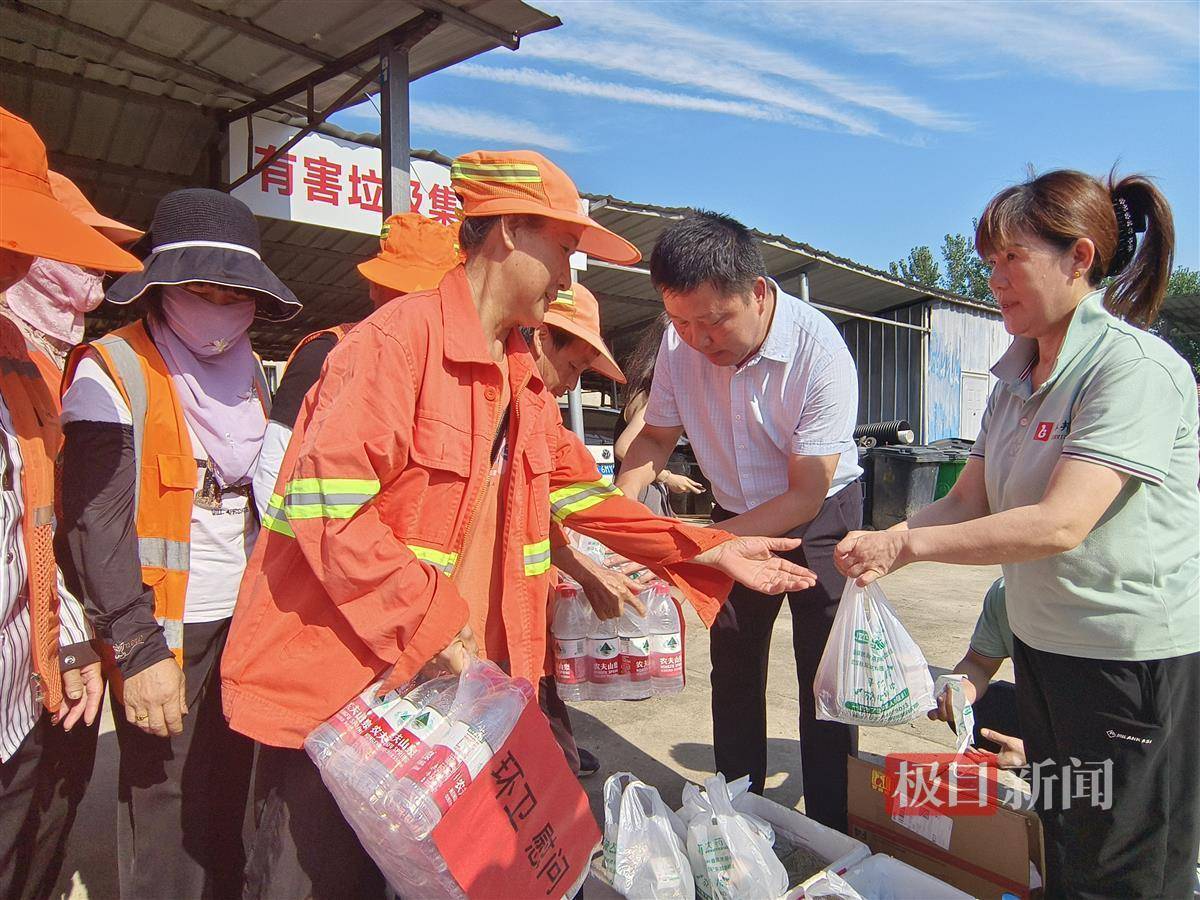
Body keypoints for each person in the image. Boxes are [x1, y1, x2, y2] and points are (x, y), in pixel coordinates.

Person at [222, 149, 817, 899]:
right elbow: (327, 511)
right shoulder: (391, 347)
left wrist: (711, 547)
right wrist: (432, 619)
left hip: (443, 696)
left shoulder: (522, 382)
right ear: (506, 233)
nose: (571, 276)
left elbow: (579, 499)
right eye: (565, 249)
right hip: (347, 691)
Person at [835, 169, 1199, 898]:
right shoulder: (1013, 380)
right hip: (1046, 648)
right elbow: (969, 498)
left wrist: (906, 545)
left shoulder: (1130, 368)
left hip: (1125, 660)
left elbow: (1062, 521)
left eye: (1013, 258)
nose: (996, 278)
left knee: (1123, 859)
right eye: (989, 262)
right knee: (1065, 828)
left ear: (1080, 257)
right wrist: (890, 538)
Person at [56, 188, 300, 898]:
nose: (219, 304)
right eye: (200, 288)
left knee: (229, 797)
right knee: (167, 806)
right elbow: (93, 522)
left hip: (243, 615)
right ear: (160, 287)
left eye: (234, 291)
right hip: (164, 628)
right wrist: (136, 649)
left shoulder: (252, 372)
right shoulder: (113, 369)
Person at [616, 210, 863, 832]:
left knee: (825, 673)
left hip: (822, 514)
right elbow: (655, 440)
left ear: (756, 293)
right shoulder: (679, 343)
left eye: (714, 320)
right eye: (681, 322)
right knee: (732, 660)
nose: (699, 340)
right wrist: (619, 516)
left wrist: (695, 545)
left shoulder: (817, 349)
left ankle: (833, 821)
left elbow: (806, 494)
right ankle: (736, 808)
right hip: (732, 506)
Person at [0, 108, 141, 900]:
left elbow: (37, 528)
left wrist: (73, 639)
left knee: (42, 837)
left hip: (40, 670)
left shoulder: (36, 368)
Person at [253, 211, 460, 520]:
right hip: (330, 556)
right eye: (401, 293)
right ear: (373, 289)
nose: (414, 308)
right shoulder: (325, 353)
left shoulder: (441, 371)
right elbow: (273, 470)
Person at [613, 311, 705, 517]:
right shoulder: (654, 400)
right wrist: (668, 477)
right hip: (644, 490)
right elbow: (624, 446)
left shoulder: (641, 393)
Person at [928, 578, 1024, 765]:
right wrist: (961, 691)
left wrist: (1039, 753)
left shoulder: (1093, 607)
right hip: (1048, 710)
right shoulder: (1006, 591)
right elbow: (978, 663)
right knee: (975, 708)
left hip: (1092, 727)